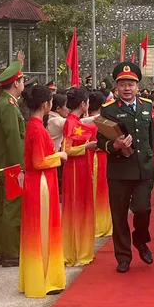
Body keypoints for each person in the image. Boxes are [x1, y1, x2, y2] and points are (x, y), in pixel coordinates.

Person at [97, 62, 154, 273]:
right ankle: (123, 256)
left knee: (143, 209)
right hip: (119, 171)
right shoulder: (108, 109)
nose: (127, 88)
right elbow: (100, 141)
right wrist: (115, 145)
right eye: (123, 84)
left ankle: (140, 239)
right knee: (119, 215)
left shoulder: (147, 106)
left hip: (143, 169)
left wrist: (153, 162)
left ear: (138, 86)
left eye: (131, 84)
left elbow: (149, 137)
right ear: (116, 87)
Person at [19, 84, 67, 297]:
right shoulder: (38, 128)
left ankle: (35, 278)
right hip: (41, 184)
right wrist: (59, 157)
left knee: (36, 230)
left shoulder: (33, 124)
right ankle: (45, 279)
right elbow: (39, 162)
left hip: (37, 182)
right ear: (46, 104)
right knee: (43, 230)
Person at [0, 60, 26, 267]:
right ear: (16, 83)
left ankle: (2, 250)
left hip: (2, 165)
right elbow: (14, 139)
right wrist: (20, 167)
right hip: (11, 167)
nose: (23, 85)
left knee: (1, 209)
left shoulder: (0, 104)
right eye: (22, 81)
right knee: (12, 209)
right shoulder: (9, 106)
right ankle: (12, 252)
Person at [61, 90, 98, 267]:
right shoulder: (70, 123)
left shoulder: (74, 121)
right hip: (75, 170)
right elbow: (66, 150)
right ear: (83, 104)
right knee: (76, 208)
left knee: (82, 206)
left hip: (82, 169)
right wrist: (88, 146)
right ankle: (75, 252)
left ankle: (82, 250)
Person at [84, 91, 112, 239]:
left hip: (88, 157)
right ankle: (102, 225)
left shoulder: (84, 121)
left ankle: (94, 223)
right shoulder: (101, 122)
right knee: (101, 192)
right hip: (100, 159)